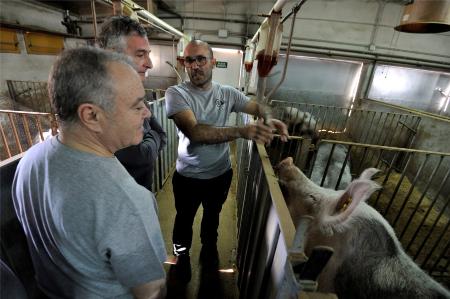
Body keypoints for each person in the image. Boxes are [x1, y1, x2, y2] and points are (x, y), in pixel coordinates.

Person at [12, 47, 167, 298]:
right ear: (92, 115)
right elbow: (150, 290)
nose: (147, 113)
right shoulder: (126, 199)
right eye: (137, 107)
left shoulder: (30, 161)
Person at [165, 39, 289, 282]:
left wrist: (268, 118)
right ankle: (182, 256)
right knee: (183, 219)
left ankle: (209, 249)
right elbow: (196, 132)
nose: (196, 65)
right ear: (185, 64)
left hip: (220, 174)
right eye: (190, 60)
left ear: (213, 63)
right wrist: (241, 132)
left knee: (213, 215)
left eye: (201, 59)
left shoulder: (227, 93)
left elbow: (258, 107)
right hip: (188, 176)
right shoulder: (176, 93)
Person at [98, 16, 166, 191]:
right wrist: (152, 138)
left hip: (141, 196)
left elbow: (162, 135)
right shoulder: (100, 103)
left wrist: (151, 139)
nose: (150, 64)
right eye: (140, 54)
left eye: (148, 54)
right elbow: (141, 156)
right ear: (112, 55)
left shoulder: (135, 95)